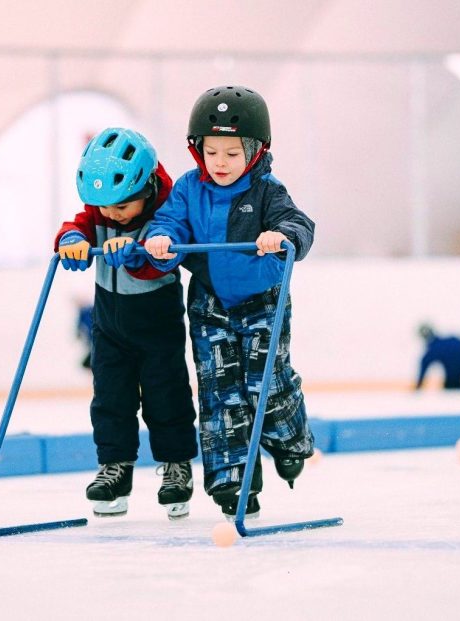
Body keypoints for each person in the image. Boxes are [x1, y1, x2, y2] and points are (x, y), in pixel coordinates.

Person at [144, 85, 315, 520]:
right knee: (221, 394)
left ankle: (289, 438)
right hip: (209, 305)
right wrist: (161, 240)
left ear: (255, 152)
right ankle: (232, 481)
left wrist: (282, 237)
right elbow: (169, 222)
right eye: (212, 151)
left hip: (262, 300)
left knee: (263, 383)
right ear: (197, 149)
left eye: (232, 154)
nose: (220, 163)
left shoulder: (267, 190)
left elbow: (298, 223)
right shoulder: (188, 188)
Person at [55, 127, 198, 520]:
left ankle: (176, 466)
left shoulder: (166, 213)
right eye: (104, 208)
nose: (112, 215)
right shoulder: (101, 210)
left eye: (122, 207)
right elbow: (80, 224)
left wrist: (137, 255)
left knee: (166, 396)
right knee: (110, 400)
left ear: (147, 186)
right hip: (109, 326)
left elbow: (164, 261)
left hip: (157, 324)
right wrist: (70, 239)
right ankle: (115, 470)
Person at [414, 324, 460, 390]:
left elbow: (424, 364)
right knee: (452, 381)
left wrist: (418, 385)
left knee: (450, 384)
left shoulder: (433, 349)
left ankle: (459, 385)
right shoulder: (442, 342)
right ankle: (458, 383)